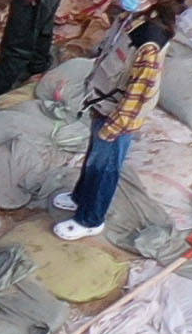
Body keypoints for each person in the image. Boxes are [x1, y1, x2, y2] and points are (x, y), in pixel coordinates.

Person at [55, 13, 169, 242]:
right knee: (94, 159)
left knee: (105, 169)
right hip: (103, 105)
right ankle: (80, 197)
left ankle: (90, 220)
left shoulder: (149, 42)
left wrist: (115, 127)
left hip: (118, 116)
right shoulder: (129, 19)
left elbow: (139, 93)